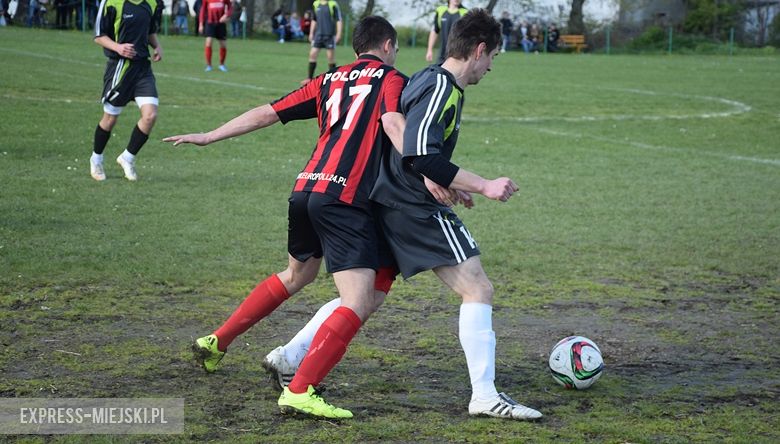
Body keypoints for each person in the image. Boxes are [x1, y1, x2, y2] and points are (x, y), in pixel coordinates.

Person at [267, 9, 543, 421]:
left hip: (385, 200)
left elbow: (408, 143)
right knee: (477, 288)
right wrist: (482, 184)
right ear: (480, 50)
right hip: (410, 207)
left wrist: (449, 180)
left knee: (367, 295)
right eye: (492, 58)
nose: (490, 68)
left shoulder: (425, 80)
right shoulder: (441, 86)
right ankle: (485, 395)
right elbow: (417, 152)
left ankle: (290, 356)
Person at [163, 15, 406, 419]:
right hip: (343, 197)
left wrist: (210, 136)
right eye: (393, 49)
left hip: (306, 188)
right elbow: (394, 124)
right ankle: (301, 388)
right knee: (358, 299)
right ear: (386, 45)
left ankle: (216, 342)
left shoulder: (329, 80)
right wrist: (431, 171)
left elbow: (268, 112)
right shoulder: (391, 78)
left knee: (296, 275)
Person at [89, 0, 163, 182]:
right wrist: (118, 48)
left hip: (143, 70)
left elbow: (150, 30)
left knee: (150, 116)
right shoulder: (111, 3)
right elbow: (99, 36)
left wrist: (157, 46)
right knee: (110, 118)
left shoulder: (152, 3)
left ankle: (127, 157)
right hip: (119, 69)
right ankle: (96, 158)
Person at [305, 0, 342, 83]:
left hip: (329, 35)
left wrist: (338, 34)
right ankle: (309, 78)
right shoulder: (316, 4)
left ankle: (333, 79)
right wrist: (311, 33)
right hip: (318, 35)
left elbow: (338, 20)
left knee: (330, 57)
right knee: (312, 54)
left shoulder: (332, 4)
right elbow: (314, 20)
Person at [199, 0, 231, 72]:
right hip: (210, 23)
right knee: (208, 42)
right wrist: (201, 24)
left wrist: (226, 15)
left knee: (223, 45)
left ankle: (222, 65)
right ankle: (209, 65)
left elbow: (230, 7)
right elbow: (203, 10)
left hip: (221, 24)